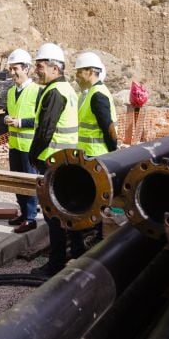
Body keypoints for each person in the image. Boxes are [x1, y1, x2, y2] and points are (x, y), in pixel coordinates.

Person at [28, 43, 84, 277]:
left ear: (54, 68)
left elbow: (46, 130)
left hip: (52, 160)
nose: (37, 70)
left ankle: (56, 263)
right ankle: (78, 250)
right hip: (66, 159)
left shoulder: (54, 92)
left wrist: (33, 154)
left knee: (53, 213)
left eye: (40, 66)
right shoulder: (67, 89)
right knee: (68, 208)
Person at [75, 51, 118, 241]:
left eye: (79, 72)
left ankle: (100, 236)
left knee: (97, 198)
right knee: (92, 197)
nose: (76, 76)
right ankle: (94, 232)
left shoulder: (98, 95)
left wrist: (112, 151)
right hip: (89, 154)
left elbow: (108, 128)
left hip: (97, 155)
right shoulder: (89, 94)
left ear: (91, 72)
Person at [4, 48, 42, 234]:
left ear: (26, 69)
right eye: (10, 69)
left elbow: (41, 120)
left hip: (29, 147)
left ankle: (30, 217)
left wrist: (20, 122)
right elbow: (10, 112)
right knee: (16, 182)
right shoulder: (11, 92)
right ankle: (23, 212)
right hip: (14, 145)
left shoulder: (37, 91)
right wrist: (7, 119)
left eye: (16, 68)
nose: (12, 73)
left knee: (29, 183)